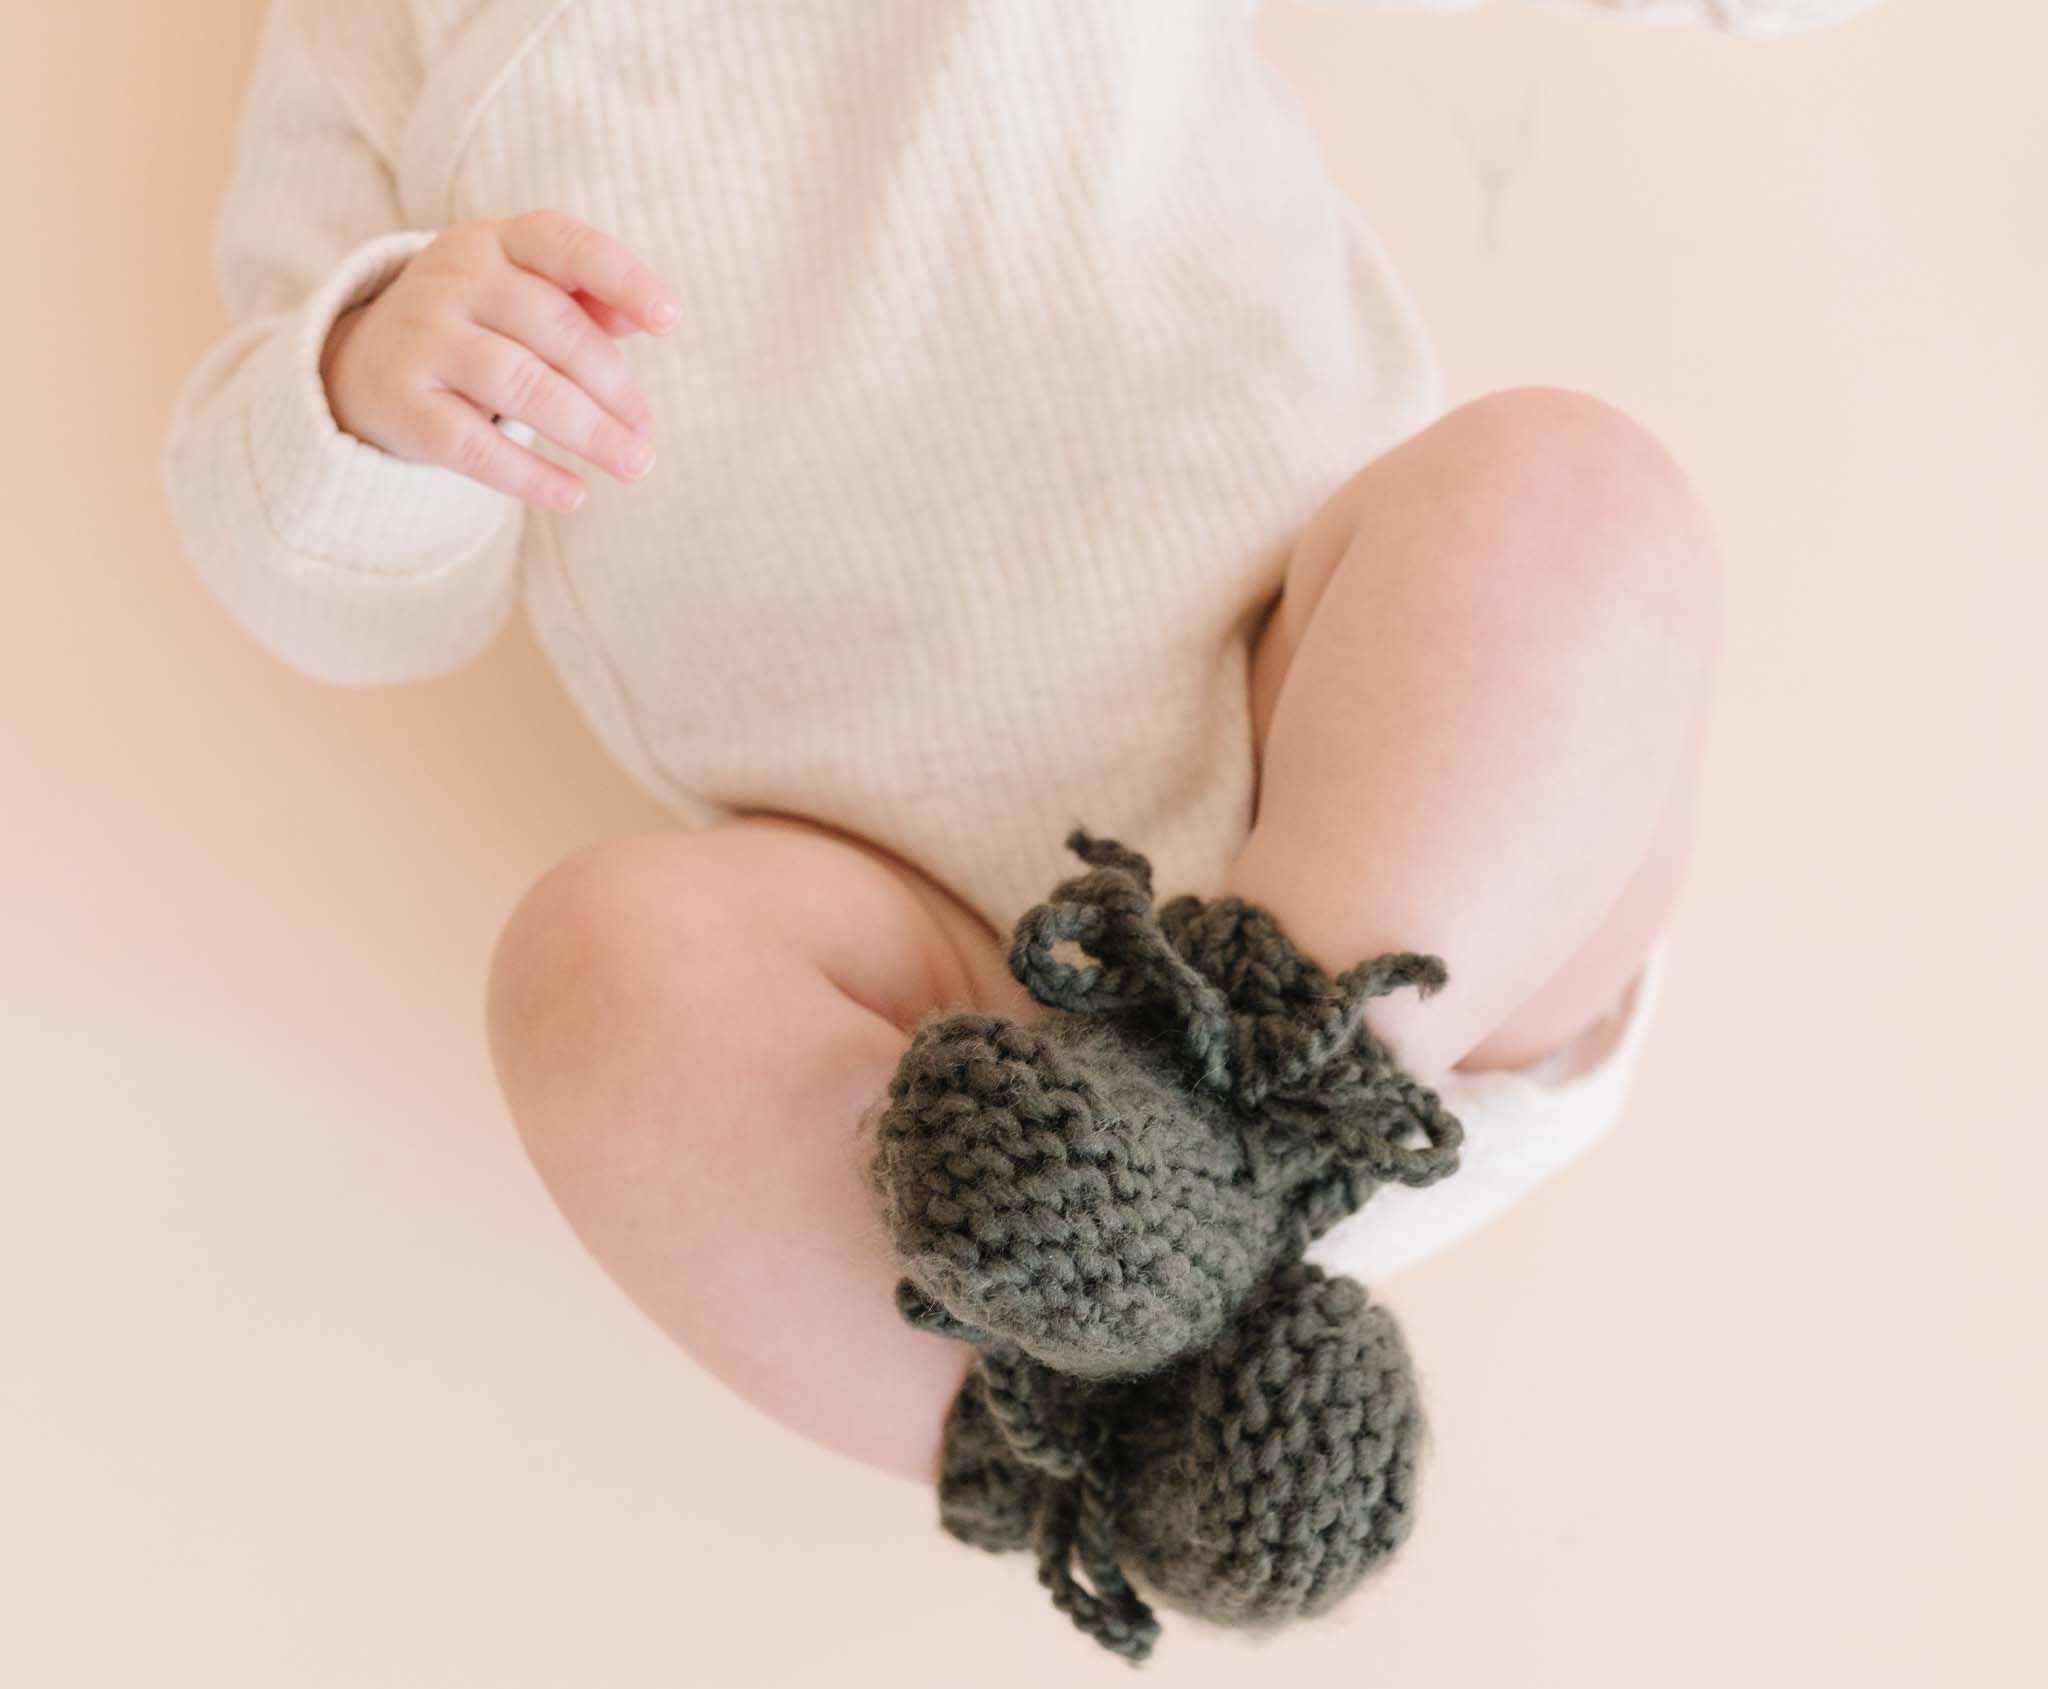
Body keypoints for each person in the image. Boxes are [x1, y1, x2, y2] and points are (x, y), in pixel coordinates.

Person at [161, 0, 1877, 1487]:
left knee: (1569, 497)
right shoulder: (383, 32)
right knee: (593, 974)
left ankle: (1232, 1143)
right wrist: (370, 380)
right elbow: (334, 591)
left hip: (1364, 797)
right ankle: (1094, 1452)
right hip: (939, 1003)